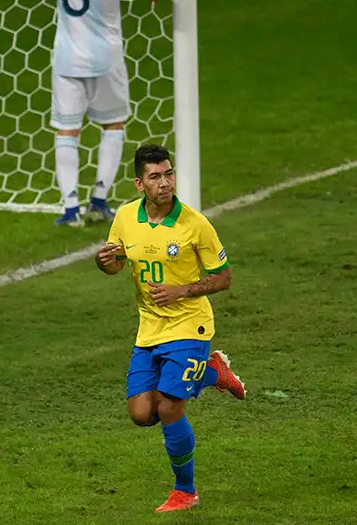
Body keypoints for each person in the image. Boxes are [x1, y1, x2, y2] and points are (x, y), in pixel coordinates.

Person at [95, 144, 246, 512]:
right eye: (155, 177)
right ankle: (211, 372)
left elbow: (223, 278)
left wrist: (183, 290)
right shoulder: (127, 218)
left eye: (169, 174)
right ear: (139, 184)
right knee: (140, 414)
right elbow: (116, 265)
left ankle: (186, 491)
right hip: (149, 329)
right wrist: (103, 262)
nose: (165, 183)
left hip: (189, 325)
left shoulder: (195, 224)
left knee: (168, 406)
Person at [43, 0, 199, 227]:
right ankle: (99, 203)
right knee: (113, 124)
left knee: (66, 130)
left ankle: (69, 210)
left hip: (66, 57)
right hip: (105, 58)